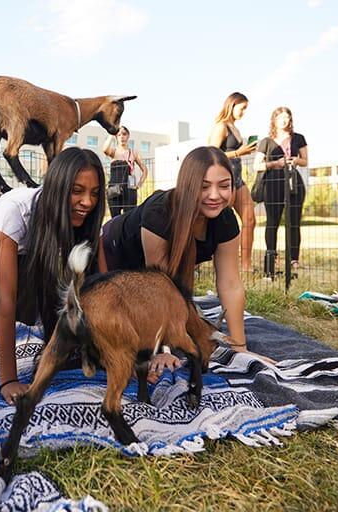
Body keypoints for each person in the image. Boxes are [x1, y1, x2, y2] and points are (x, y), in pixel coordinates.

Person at [0, 147, 106, 405]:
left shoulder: (85, 219)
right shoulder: (16, 212)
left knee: (30, 313)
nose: (87, 202)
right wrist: (8, 380)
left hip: (29, 244)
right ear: (58, 187)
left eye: (95, 193)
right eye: (77, 191)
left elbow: (102, 289)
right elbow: (5, 301)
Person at [99, 146, 273, 374]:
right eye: (204, 187)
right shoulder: (160, 213)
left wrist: (240, 347)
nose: (214, 195)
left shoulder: (226, 221)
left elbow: (230, 284)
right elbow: (158, 291)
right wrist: (163, 350)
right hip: (111, 259)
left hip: (146, 281)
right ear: (188, 185)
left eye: (223, 186)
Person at [252, 107, 309, 278]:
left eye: (288, 117)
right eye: (281, 117)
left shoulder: (299, 138)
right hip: (273, 184)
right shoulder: (266, 141)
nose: (285, 120)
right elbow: (256, 165)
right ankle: (270, 264)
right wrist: (273, 164)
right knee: (272, 223)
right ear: (274, 120)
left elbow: (306, 161)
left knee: (294, 223)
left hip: (294, 181)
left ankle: (293, 264)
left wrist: (297, 160)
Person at [208, 92, 258, 272]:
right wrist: (239, 152)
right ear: (232, 105)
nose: (244, 112)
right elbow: (211, 153)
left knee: (250, 219)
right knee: (223, 222)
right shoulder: (221, 126)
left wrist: (246, 151)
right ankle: (220, 264)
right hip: (223, 179)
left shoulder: (235, 128)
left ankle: (246, 266)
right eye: (242, 108)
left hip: (238, 177)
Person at [102, 126, 149, 217]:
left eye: (124, 134)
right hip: (114, 187)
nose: (122, 137)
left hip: (130, 186)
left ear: (128, 136)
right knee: (115, 217)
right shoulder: (113, 151)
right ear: (116, 137)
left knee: (130, 216)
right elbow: (105, 149)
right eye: (119, 135)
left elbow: (145, 169)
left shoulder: (133, 153)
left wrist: (139, 184)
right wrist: (111, 133)